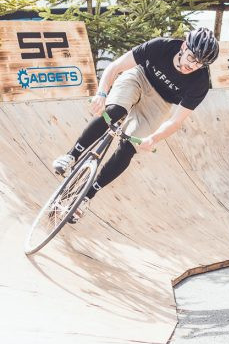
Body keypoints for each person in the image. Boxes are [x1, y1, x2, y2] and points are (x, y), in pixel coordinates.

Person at [52, 27, 219, 223]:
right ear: (184, 47)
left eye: (200, 62)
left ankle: (86, 196)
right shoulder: (161, 46)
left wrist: (153, 138)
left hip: (160, 102)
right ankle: (71, 156)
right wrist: (102, 93)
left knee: (129, 147)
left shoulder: (200, 82)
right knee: (114, 112)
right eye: (191, 57)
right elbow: (115, 67)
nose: (193, 65)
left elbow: (176, 120)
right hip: (139, 78)